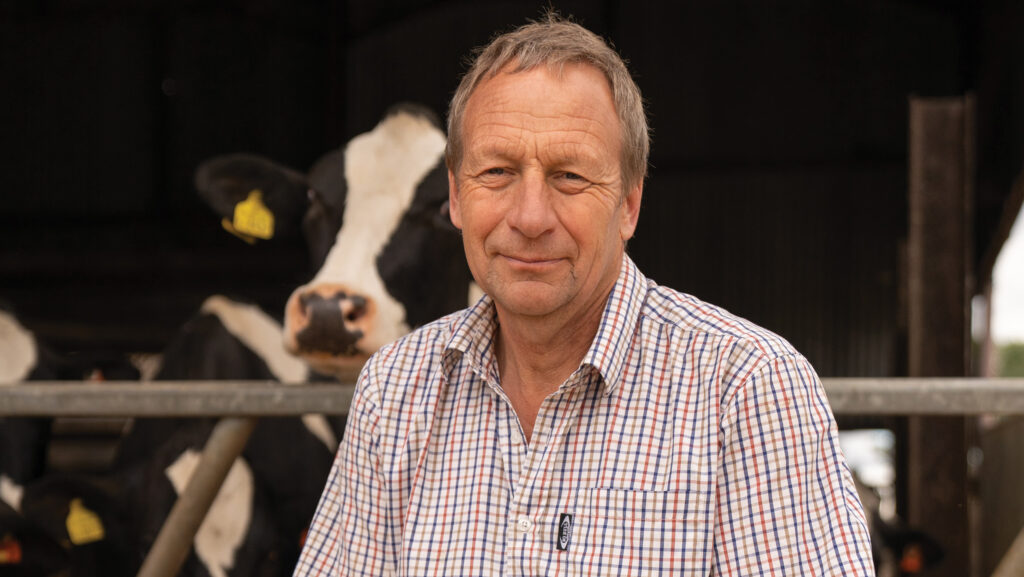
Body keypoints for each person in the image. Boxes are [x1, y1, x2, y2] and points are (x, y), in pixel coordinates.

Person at [295, 13, 874, 576]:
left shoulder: (746, 390)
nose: (529, 217)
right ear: (455, 196)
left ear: (629, 204)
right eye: (496, 172)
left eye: (569, 176)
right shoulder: (394, 392)